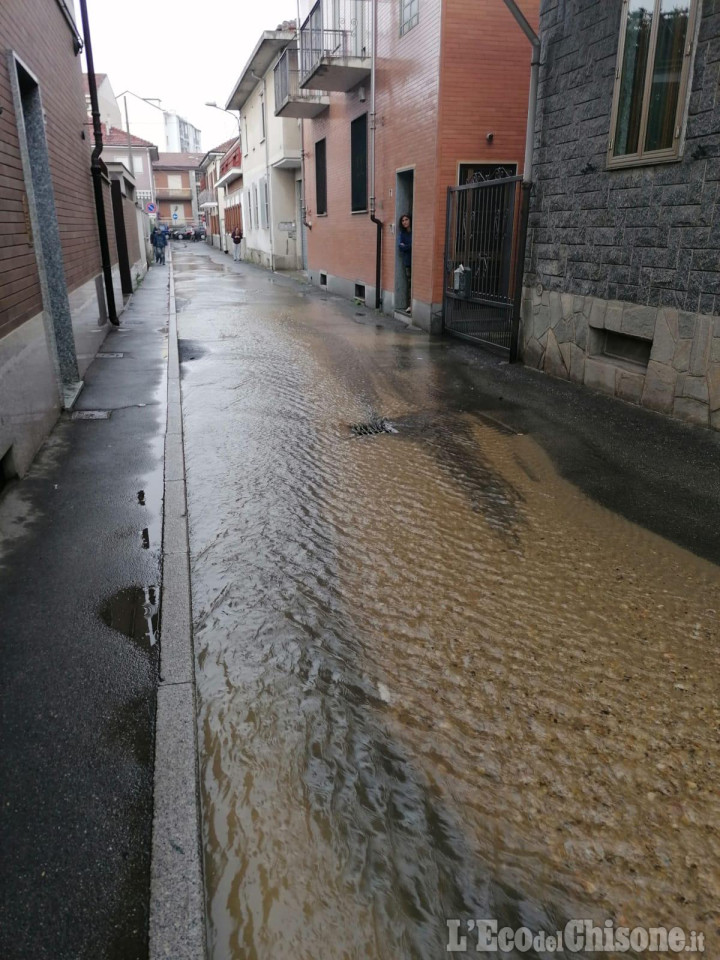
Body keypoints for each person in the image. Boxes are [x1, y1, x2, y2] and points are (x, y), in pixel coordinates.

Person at [398, 213, 412, 315]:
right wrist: (409, 246)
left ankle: (412, 305)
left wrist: (407, 246)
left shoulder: (414, 232)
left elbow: (414, 245)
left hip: (417, 261)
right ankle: (410, 305)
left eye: (406, 219)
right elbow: (400, 247)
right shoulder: (402, 234)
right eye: (402, 221)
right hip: (408, 262)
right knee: (410, 284)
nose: (404, 222)